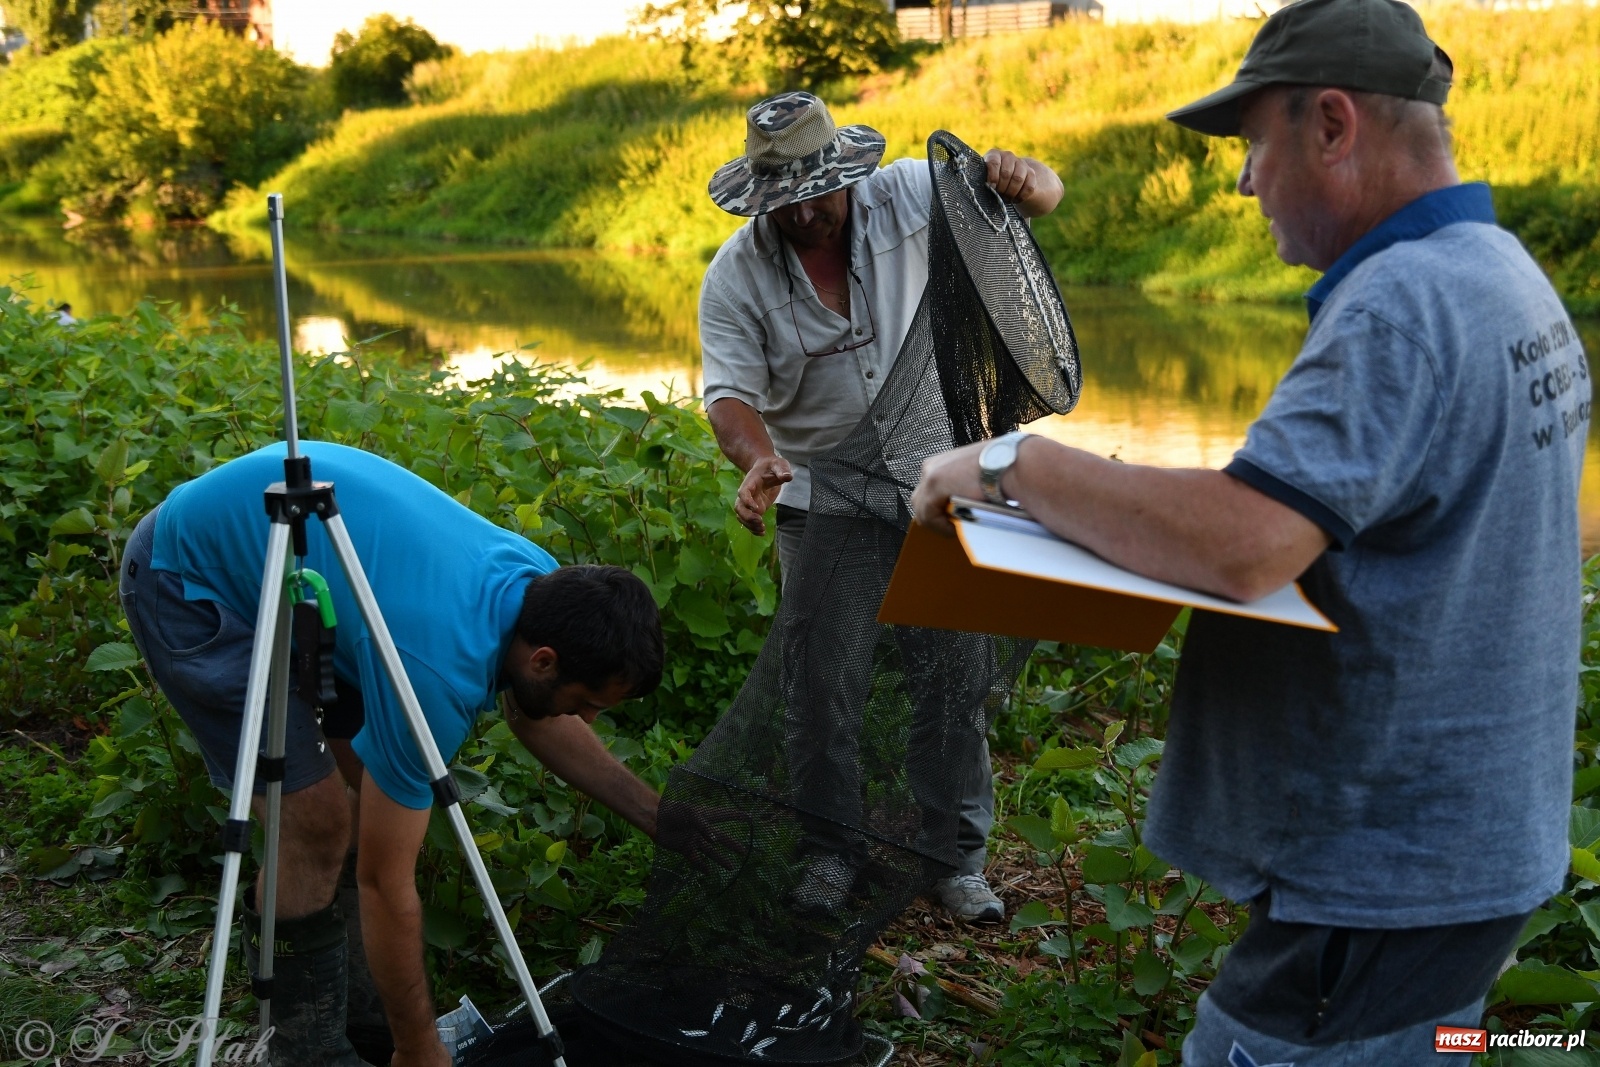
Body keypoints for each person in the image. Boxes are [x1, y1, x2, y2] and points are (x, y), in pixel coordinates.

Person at [912, 0, 1588, 1061]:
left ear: (1329, 125)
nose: (1240, 179)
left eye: (1252, 142)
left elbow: (1247, 541)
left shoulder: (1401, 305)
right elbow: (1319, 509)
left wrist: (1013, 464)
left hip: (1386, 868)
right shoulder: (1499, 272)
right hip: (1466, 849)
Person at [121, 441, 680, 1067]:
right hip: (193, 580)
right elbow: (386, 884)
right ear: (544, 659)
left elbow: (537, 710)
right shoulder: (437, 673)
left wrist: (660, 819)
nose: (588, 720)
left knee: (365, 812)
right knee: (321, 824)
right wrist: (422, 1048)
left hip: (305, 574)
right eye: (586, 702)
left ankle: (363, 1020)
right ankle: (305, 1049)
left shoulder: (538, 588)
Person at [698, 91, 1065, 923]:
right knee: (823, 683)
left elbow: (1045, 195)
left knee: (956, 675)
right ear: (763, 199)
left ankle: (955, 860)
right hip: (821, 491)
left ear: (848, 173)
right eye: (786, 200)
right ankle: (830, 853)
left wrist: (1023, 175)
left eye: (820, 191)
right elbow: (728, 396)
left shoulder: (908, 192)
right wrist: (758, 458)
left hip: (938, 479)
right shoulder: (737, 276)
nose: (808, 211)